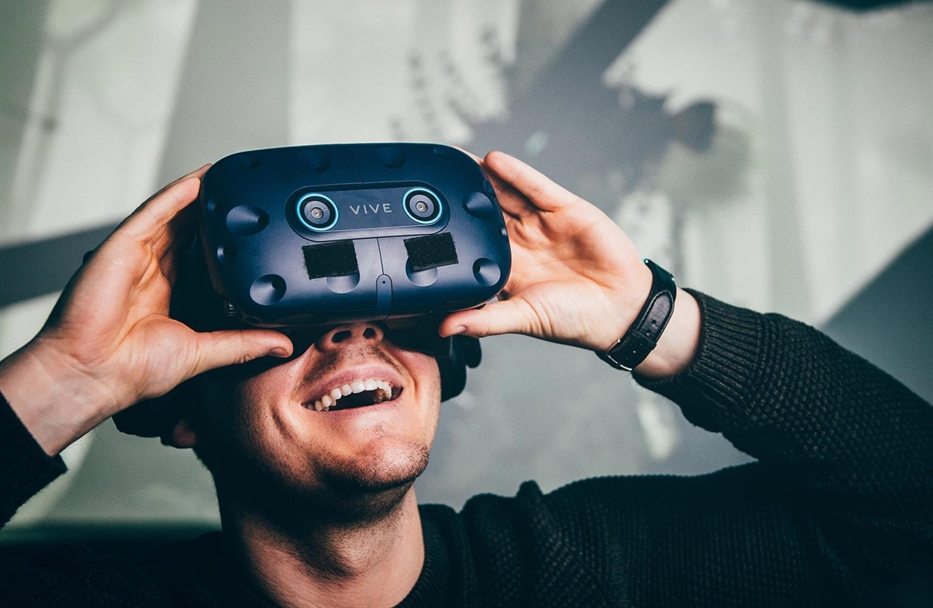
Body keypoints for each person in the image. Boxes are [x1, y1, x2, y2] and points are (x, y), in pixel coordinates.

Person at [1, 151, 930, 607]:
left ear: (446, 361)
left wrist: (646, 313)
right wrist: (65, 382)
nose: (354, 327)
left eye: (390, 309)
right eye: (288, 315)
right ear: (179, 409)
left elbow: (911, 498)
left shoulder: (576, 572)